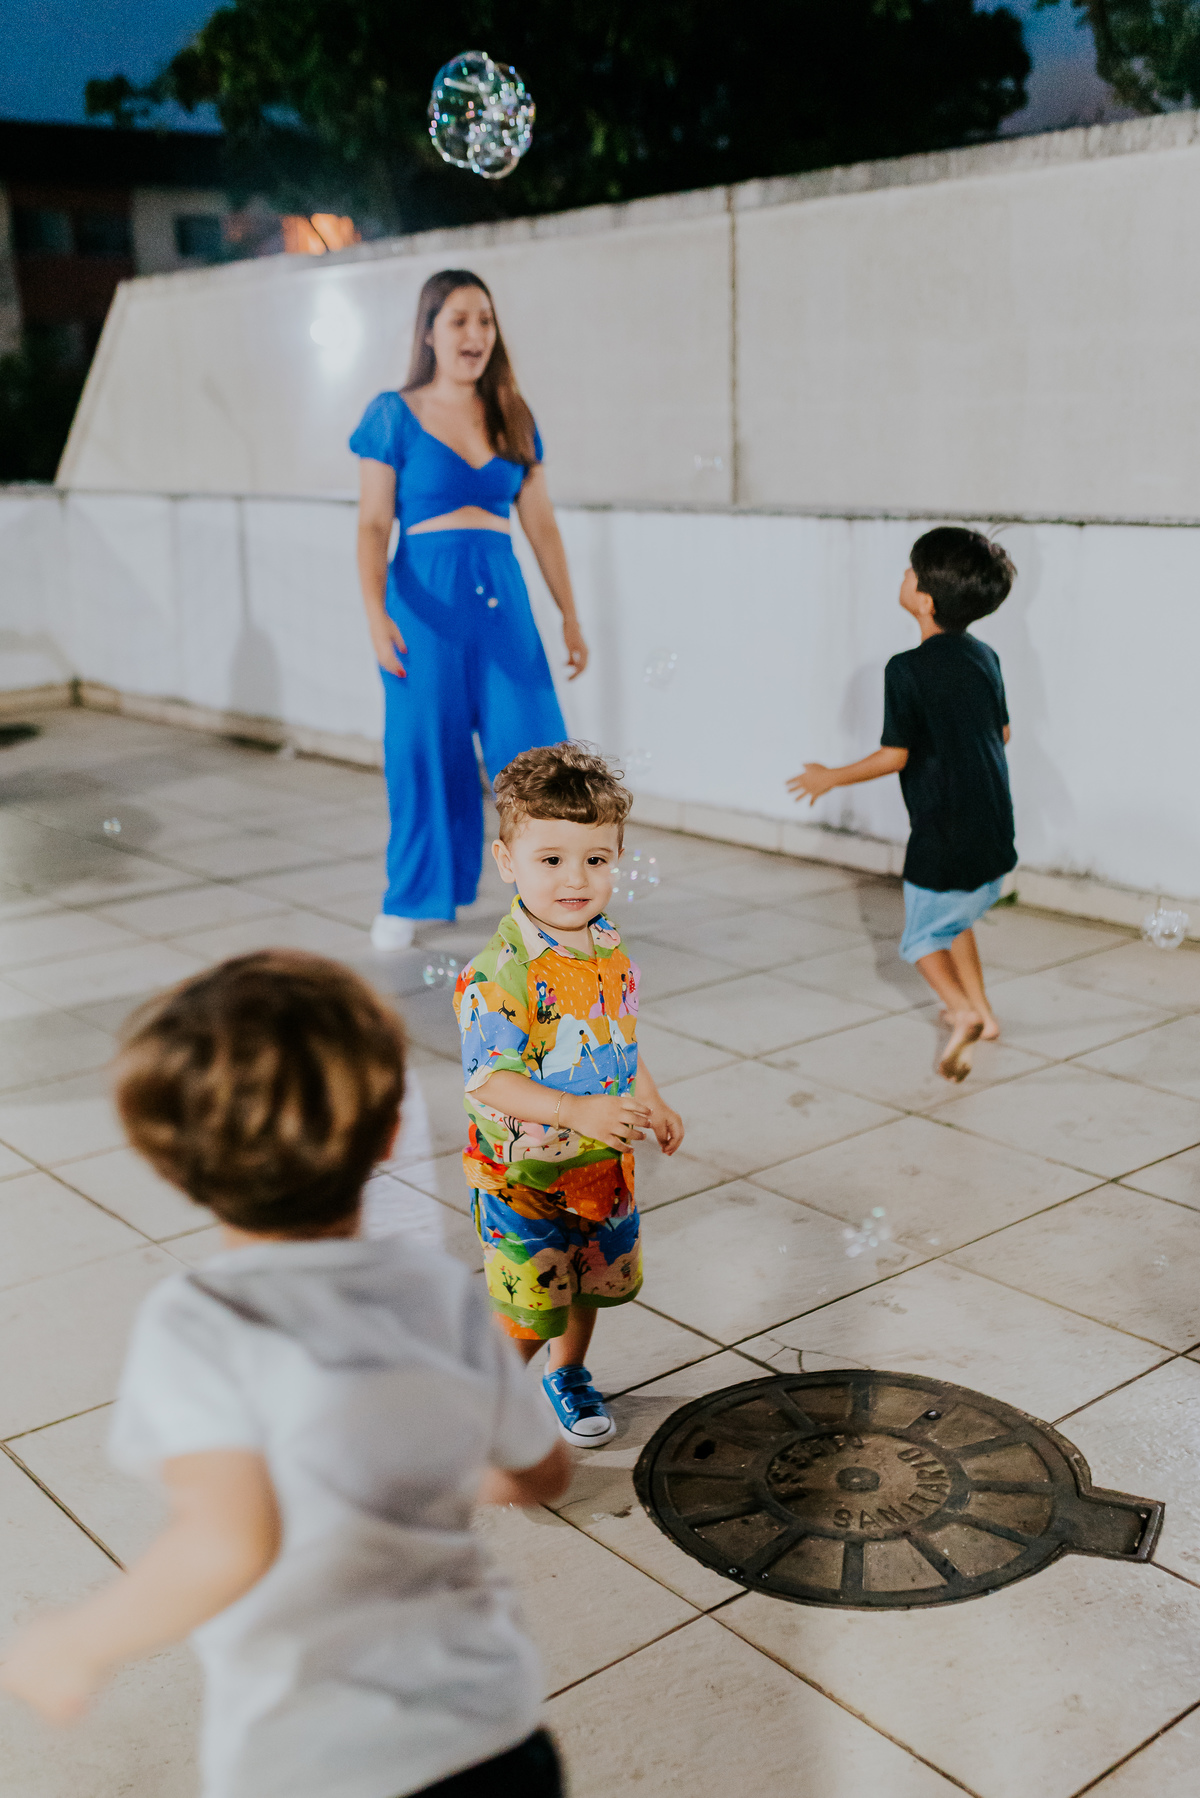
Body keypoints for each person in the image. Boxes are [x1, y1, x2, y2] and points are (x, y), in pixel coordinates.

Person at [0, 951, 571, 1798]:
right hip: (495, 1737)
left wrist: (76, 1640)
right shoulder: (437, 1291)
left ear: (169, 1165)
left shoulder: (200, 1323)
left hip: (317, 1762)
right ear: (386, 1137)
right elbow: (542, 1474)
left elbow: (226, 1543)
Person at [453, 744, 684, 1445]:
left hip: (599, 1168)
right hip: (525, 1178)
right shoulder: (501, 973)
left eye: (595, 858)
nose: (576, 879)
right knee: (530, 1305)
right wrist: (574, 1110)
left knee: (586, 1282)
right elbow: (490, 1078)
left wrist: (653, 1097)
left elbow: (619, 1041)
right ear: (507, 862)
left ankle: (569, 1373)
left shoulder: (608, 947)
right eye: (551, 859)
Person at [352, 269, 588, 952]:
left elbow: (541, 525)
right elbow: (372, 526)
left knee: (536, 751)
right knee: (423, 749)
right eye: (458, 320)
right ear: (429, 332)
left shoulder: (513, 413)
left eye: (484, 319)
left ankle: (551, 898)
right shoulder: (392, 414)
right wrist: (375, 613)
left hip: (500, 598)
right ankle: (412, 895)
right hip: (420, 600)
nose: (475, 334)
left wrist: (569, 613)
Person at [788, 527, 1016, 1083]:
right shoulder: (985, 656)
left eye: (910, 571)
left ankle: (960, 1012)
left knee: (920, 939)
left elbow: (894, 755)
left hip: (941, 833)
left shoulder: (905, 669)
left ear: (925, 599)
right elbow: (1003, 735)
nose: (904, 577)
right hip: (992, 829)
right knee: (957, 919)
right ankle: (983, 1013)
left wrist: (829, 778)